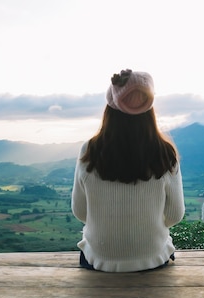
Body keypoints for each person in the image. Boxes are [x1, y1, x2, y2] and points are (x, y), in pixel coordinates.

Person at [71, 69, 185, 272]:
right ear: (150, 109)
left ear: (109, 109)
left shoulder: (89, 149)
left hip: (100, 258)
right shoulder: (165, 152)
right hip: (152, 258)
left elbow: (80, 211)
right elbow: (174, 215)